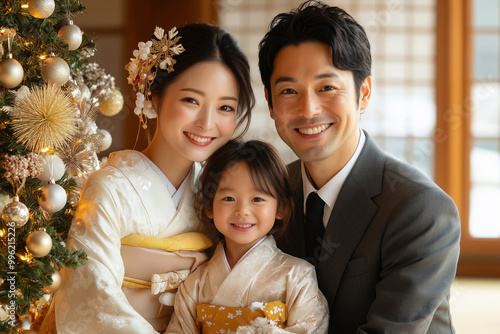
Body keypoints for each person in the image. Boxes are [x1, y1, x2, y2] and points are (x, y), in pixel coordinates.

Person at [258, 1, 461, 333]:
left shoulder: (420, 209)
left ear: (363, 93)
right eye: (289, 91)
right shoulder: (266, 192)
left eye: (327, 87)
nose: (308, 110)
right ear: (270, 102)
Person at [46, 23, 254, 334]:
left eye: (225, 107)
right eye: (191, 100)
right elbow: (92, 298)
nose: (207, 122)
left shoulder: (219, 191)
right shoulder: (110, 188)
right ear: (153, 95)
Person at [166, 139, 329, 333]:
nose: (242, 211)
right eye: (229, 198)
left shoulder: (298, 277)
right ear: (209, 206)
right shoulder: (195, 284)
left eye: (257, 199)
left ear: (281, 207)